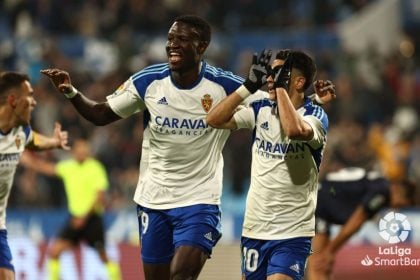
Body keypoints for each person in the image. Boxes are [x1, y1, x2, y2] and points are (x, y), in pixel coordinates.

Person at [40, 15, 334, 279]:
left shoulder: (225, 84)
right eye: (170, 39)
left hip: (199, 199)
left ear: (202, 45)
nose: (172, 45)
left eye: (182, 39)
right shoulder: (148, 82)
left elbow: (279, 109)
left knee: (181, 273)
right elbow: (101, 115)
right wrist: (70, 91)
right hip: (154, 198)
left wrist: (312, 102)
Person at [206, 49, 329, 280]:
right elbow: (213, 120)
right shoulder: (260, 108)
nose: (271, 79)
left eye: (280, 73)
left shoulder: (316, 116)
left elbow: (294, 130)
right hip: (255, 228)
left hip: (293, 231)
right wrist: (248, 86)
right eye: (271, 73)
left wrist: (281, 89)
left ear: (299, 82)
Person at [0, 71, 69, 280]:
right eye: (30, 95)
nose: (34, 102)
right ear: (13, 100)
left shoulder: (20, 131)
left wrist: (54, 142)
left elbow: (33, 141)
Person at [20, 138, 121, 280]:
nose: (81, 152)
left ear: (88, 152)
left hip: (91, 219)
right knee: (54, 252)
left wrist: (83, 218)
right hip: (74, 219)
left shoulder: (96, 168)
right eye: (79, 150)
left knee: (103, 256)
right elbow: (45, 167)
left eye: (84, 150)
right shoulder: (68, 167)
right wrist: (27, 159)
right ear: (74, 152)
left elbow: (100, 198)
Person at [305, 167, 415, 280]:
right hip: (319, 203)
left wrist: (330, 251)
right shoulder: (382, 191)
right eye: (400, 204)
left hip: (321, 200)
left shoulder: (379, 184)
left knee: (324, 264)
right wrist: (330, 250)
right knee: (319, 263)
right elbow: (357, 220)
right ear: (397, 190)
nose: (397, 208)